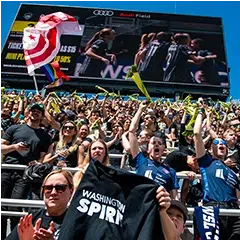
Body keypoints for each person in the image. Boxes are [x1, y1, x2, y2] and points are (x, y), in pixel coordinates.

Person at [0, 103, 51, 239]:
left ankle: (15, 237)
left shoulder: (45, 135)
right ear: (28, 112)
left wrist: (39, 163)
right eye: (33, 111)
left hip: (25, 174)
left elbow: (43, 157)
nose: (35, 113)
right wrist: (15, 147)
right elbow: (1, 147)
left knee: (15, 207)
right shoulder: (14, 128)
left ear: (41, 116)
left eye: (38, 112)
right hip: (6, 171)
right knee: (1, 207)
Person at [193, 104, 240, 240]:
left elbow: (238, 196)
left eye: (224, 144)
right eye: (218, 143)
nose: (221, 145)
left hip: (233, 212)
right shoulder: (207, 161)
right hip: (212, 208)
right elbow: (197, 134)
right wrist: (201, 112)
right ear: (211, 149)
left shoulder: (232, 172)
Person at [129, 101, 179, 199]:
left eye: (159, 144)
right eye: (153, 143)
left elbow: (175, 199)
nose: (156, 144)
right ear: (148, 149)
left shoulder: (171, 171)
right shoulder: (141, 160)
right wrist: (140, 110)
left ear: (163, 150)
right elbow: (131, 131)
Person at [6, 169, 74, 240]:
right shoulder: (31, 218)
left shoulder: (78, 221)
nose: (53, 192)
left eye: (60, 188)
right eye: (48, 188)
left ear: (71, 191)